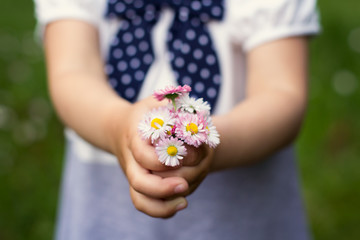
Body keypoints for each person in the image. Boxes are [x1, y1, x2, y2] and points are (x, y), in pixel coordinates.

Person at [34, 0, 320, 239]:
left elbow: (282, 94)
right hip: (107, 213)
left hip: (243, 216)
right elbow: (71, 75)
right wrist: (117, 128)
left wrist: (208, 142)